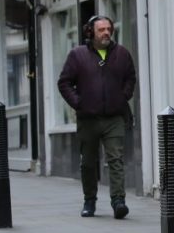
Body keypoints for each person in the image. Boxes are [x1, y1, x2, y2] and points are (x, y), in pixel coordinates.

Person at [58, 15, 136, 219]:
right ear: (90, 32)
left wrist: (122, 97)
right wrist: (79, 103)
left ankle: (118, 201)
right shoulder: (77, 55)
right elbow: (64, 83)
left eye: (109, 28)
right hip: (88, 119)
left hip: (114, 117)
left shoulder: (122, 54)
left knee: (116, 159)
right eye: (101, 29)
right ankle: (89, 200)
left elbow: (130, 78)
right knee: (88, 163)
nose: (106, 33)